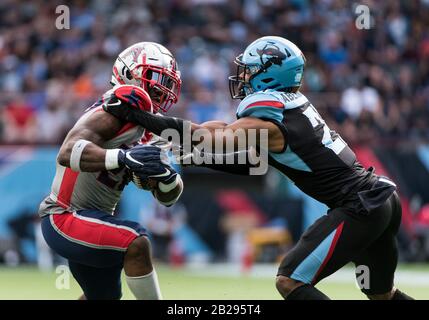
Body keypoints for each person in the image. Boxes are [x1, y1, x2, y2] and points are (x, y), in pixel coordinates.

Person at [103, 36, 413, 300]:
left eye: (250, 70)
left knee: (290, 280)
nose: (244, 77)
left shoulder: (270, 117)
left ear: (270, 74)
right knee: (382, 295)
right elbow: (250, 162)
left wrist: (139, 116)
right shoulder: (289, 107)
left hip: (361, 205)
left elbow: (207, 137)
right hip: (382, 199)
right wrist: (183, 155)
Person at [38, 42, 184, 300]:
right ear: (130, 74)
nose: (163, 89)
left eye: (167, 82)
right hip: (65, 216)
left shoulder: (151, 131)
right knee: (136, 241)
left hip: (94, 220)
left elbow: (168, 198)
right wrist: (124, 157)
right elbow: (67, 152)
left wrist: (167, 178)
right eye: (155, 77)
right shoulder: (114, 110)